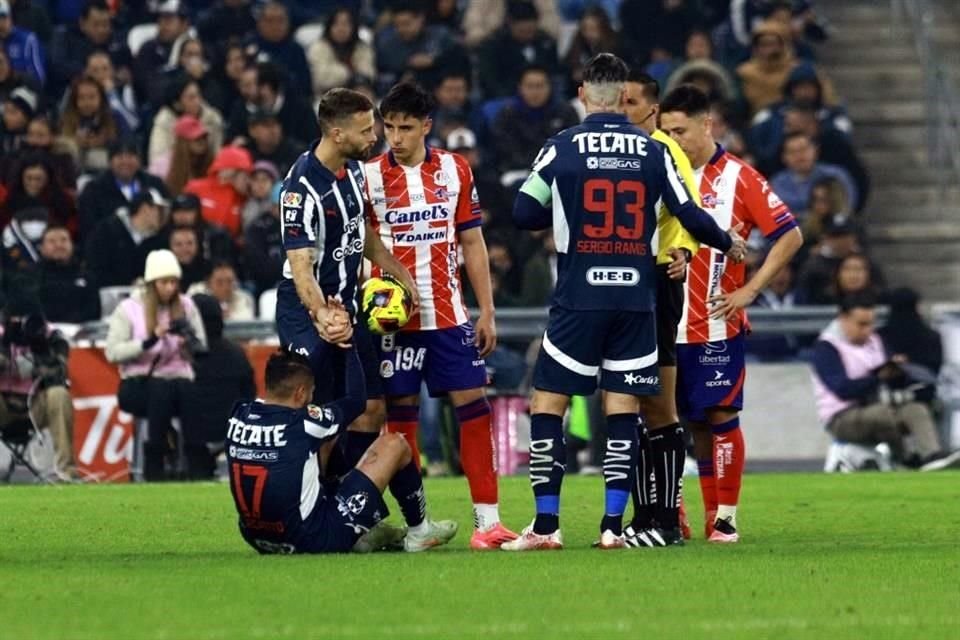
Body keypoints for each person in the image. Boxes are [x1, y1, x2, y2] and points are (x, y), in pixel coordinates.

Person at [504, 54, 745, 551]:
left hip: (579, 296)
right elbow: (690, 214)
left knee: (549, 400)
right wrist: (727, 242)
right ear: (623, 97)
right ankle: (613, 527)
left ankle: (547, 525)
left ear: (584, 96)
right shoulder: (654, 150)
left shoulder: (561, 147)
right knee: (623, 404)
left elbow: (524, 211)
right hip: (637, 296)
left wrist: (568, 209)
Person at [365, 82, 518, 549]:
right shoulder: (368, 177)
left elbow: (472, 241)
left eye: (406, 127)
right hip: (394, 322)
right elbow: (360, 247)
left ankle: (487, 522)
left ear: (427, 126)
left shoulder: (455, 170)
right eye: (389, 127)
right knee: (401, 423)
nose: (396, 137)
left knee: (474, 406)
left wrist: (487, 310)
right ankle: (418, 524)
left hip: (448, 315)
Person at [659, 84, 803, 543]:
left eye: (680, 130)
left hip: (715, 324)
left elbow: (790, 235)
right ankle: (673, 516)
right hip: (661, 323)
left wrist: (751, 290)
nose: (673, 140)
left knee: (718, 416)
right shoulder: (658, 172)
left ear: (707, 124)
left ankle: (724, 518)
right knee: (673, 423)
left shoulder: (739, 177)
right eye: (666, 131)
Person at [275, 88, 418, 480]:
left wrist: (396, 270)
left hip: (348, 308)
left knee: (371, 408)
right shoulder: (300, 189)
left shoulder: (353, 169)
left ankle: (345, 500)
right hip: (307, 313)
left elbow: (362, 231)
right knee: (320, 418)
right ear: (337, 135)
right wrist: (321, 315)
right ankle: (313, 504)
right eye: (366, 129)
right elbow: (301, 268)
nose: (375, 137)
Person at [227, 347, 457, 555]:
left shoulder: (238, 414)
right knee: (394, 445)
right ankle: (420, 530)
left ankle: (361, 531)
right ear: (299, 393)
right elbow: (357, 402)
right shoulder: (306, 422)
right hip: (310, 540)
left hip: (258, 538)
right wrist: (350, 346)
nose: (311, 399)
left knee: (321, 444)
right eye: (310, 393)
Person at [810, 292, 960, 471]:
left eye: (871, 323)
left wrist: (898, 372)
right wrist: (878, 376)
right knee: (881, 414)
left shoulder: (876, 341)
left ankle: (932, 457)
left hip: (881, 407)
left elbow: (889, 380)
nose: (868, 330)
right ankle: (905, 458)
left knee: (916, 409)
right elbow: (842, 389)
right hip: (842, 417)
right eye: (862, 324)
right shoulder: (826, 348)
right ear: (843, 319)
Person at [105, 249, 208, 481]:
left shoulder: (187, 306)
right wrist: (148, 341)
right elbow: (112, 352)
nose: (170, 288)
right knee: (161, 390)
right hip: (138, 383)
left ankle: (196, 466)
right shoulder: (129, 309)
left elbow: (202, 348)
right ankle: (155, 467)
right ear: (152, 283)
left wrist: (188, 340)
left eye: (174, 282)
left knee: (190, 391)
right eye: (164, 282)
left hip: (178, 380)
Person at [0, 295, 76, 480]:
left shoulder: (52, 336)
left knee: (59, 394)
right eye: (16, 320)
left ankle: (66, 472)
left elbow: (61, 374)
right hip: (3, 406)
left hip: (35, 406)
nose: (21, 324)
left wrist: (39, 355)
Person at [182, 293, 254, 479]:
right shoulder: (237, 354)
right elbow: (249, 396)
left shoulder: (184, 357)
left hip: (195, 439)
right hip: (234, 435)